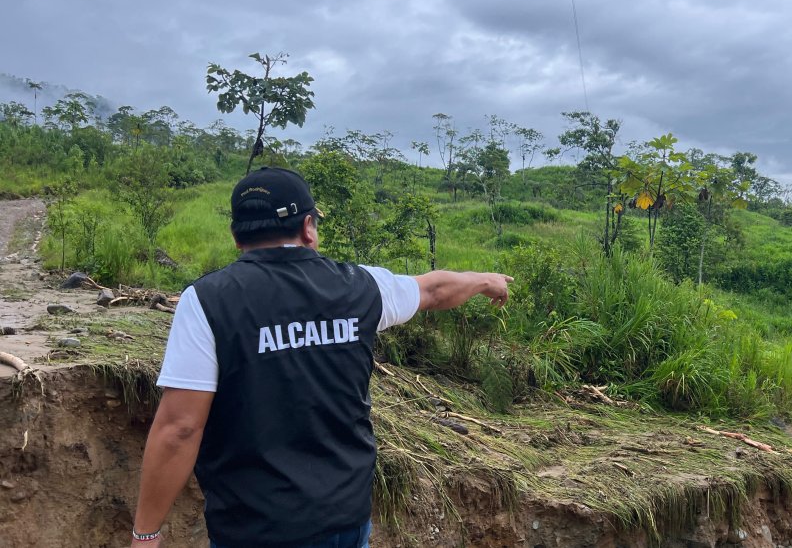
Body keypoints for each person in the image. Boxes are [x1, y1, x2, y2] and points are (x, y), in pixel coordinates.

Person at [129, 167, 512, 548]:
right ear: (308, 227)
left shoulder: (208, 301)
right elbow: (434, 289)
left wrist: (145, 533)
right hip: (345, 520)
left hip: (255, 526)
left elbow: (180, 428)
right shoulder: (362, 287)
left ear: (236, 235)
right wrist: (483, 280)